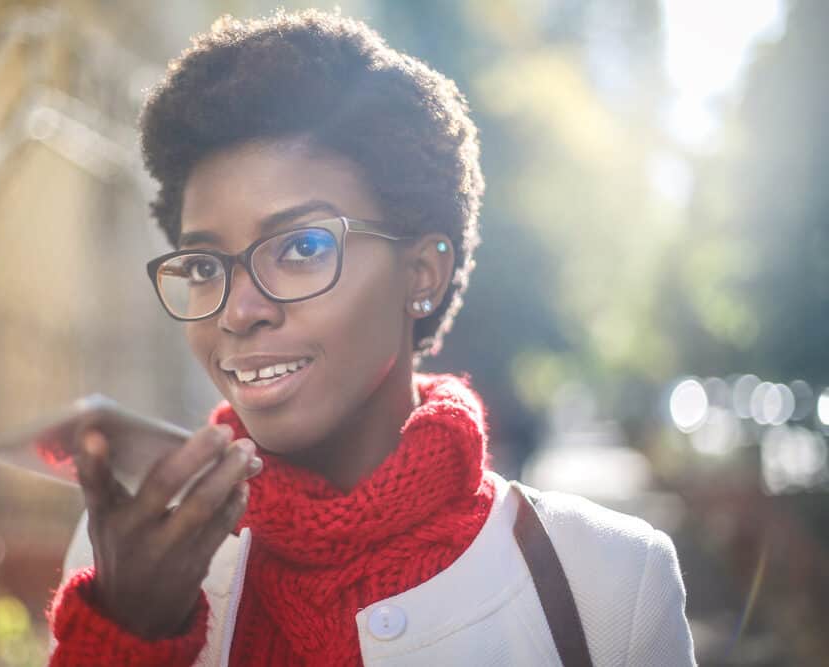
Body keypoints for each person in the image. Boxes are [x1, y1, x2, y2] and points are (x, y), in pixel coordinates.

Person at [47, 9, 696, 666]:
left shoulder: (610, 582)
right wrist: (125, 637)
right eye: (204, 265)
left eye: (300, 246)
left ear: (422, 272)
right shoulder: (128, 559)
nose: (238, 311)